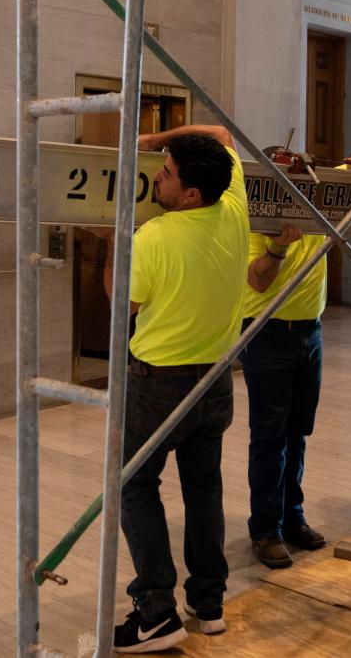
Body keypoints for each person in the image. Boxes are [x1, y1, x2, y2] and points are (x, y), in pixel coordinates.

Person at [103, 126, 248, 653]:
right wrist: (152, 141)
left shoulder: (154, 238)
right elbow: (222, 134)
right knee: (203, 488)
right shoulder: (234, 206)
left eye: (164, 176)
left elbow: (122, 304)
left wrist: (113, 239)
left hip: (158, 386)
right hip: (215, 384)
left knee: (134, 486)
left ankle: (156, 611)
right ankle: (207, 604)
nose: (155, 181)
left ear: (190, 195)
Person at [238, 149, 351, 569]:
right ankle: (265, 529)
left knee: (297, 432)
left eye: (299, 174)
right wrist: (278, 248)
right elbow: (257, 280)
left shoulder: (318, 193)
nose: (295, 182)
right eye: (285, 176)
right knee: (269, 436)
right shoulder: (256, 215)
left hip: (310, 332)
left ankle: (291, 516)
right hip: (267, 332)